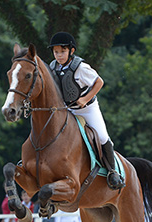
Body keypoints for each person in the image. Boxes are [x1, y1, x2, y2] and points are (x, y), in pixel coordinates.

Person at [48, 32, 124, 190]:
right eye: (56, 52)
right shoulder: (52, 67)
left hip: (87, 108)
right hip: (67, 110)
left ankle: (113, 172)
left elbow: (99, 82)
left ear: (71, 51)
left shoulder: (81, 67)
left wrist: (85, 99)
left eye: (62, 51)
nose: (59, 55)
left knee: (102, 136)